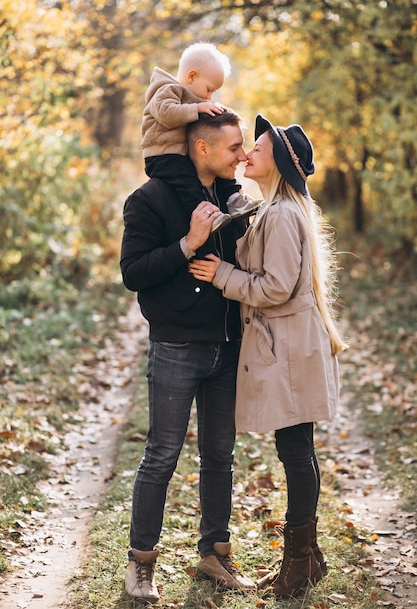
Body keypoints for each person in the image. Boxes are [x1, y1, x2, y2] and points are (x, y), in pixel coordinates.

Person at [189, 114, 348, 598]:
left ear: (277, 161)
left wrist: (222, 277)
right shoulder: (276, 210)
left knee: (296, 451)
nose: (246, 155)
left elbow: (275, 287)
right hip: (291, 343)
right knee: (298, 448)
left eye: (256, 149)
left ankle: (298, 564)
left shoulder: (281, 215)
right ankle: (308, 557)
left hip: (290, 345)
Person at [120, 109, 256, 604]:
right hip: (176, 347)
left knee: (221, 456)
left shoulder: (234, 199)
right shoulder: (149, 199)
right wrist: (188, 243)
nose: (241, 155)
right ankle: (140, 566)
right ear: (202, 148)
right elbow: (133, 272)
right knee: (162, 455)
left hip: (227, 347)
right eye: (233, 147)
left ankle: (214, 556)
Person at [142, 42, 261, 233]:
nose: (208, 97)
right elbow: (166, 113)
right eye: (209, 89)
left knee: (219, 167)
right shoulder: (166, 89)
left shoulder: (190, 98)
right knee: (187, 181)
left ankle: (234, 200)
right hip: (162, 155)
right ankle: (206, 215)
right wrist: (197, 108)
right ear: (192, 76)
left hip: (179, 153)